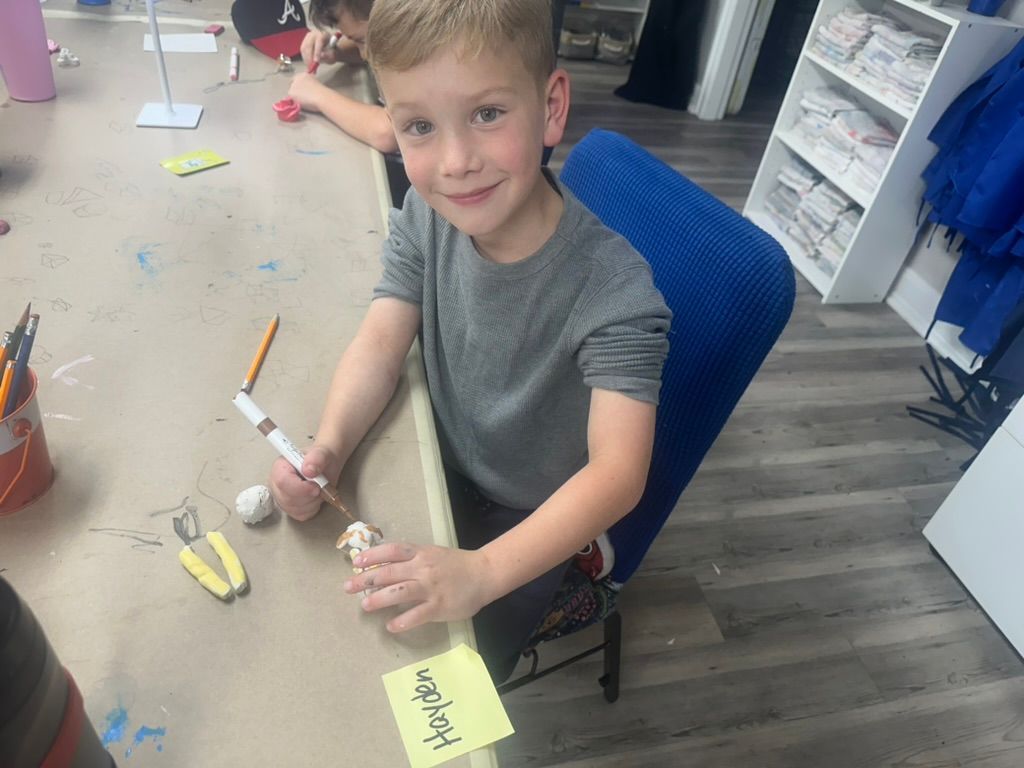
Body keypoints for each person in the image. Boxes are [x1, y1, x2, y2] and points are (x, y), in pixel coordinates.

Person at [269, 0, 672, 684]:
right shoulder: (427, 212)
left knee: (440, 679)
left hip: (529, 513)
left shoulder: (617, 292)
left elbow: (618, 473)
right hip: (441, 453)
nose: (456, 162)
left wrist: (482, 572)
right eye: (420, 126)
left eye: (487, 113)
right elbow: (380, 340)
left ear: (549, 106)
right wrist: (330, 447)